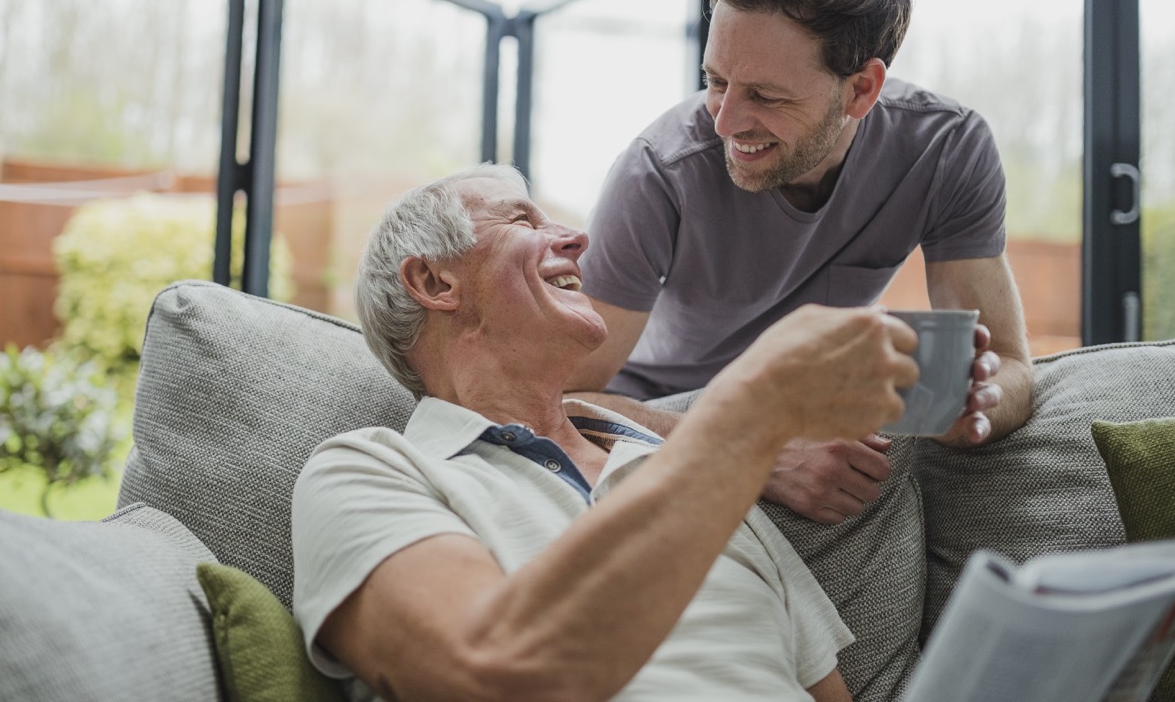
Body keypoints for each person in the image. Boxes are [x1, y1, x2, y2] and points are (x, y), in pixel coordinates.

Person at [291, 164, 921, 702]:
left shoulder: (698, 476)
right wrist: (750, 410)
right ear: (434, 282)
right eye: (523, 222)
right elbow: (490, 675)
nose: (577, 238)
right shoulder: (368, 471)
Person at [566, 0, 1033, 525]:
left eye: (764, 94)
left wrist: (964, 404)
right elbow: (562, 398)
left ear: (861, 90)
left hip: (811, 401)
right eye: (715, 81)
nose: (725, 121)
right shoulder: (658, 172)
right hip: (667, 409)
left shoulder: (946, 147)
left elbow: (1011, 365)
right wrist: (754, 447)